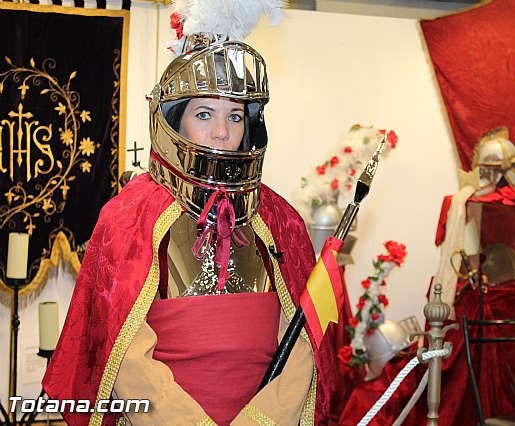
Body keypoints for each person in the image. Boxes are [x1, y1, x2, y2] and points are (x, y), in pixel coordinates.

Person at [42, 6, 336, 426]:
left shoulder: (278, 217)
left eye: (235, 115)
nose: (222, 132)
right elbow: (121, 349)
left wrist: (262, 420)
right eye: (204, 114)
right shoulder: (130, 216)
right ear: (174, 121)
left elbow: (305, 340)